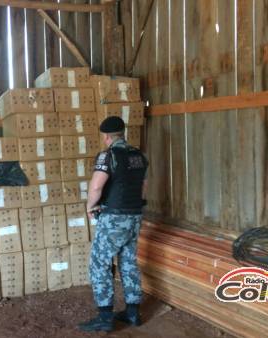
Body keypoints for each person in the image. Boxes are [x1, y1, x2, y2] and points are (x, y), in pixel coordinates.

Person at [78, 116, 149, 332]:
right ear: (122, 133)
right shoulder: (139, 156)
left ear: (106, 136)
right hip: (135, 215)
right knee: (128, 262)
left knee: (99, 263)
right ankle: (132, 312)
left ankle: (105, 316)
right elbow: (143, 187)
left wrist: (91, 206)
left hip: (114, 218)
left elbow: (97, 187)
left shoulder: (108, 156)